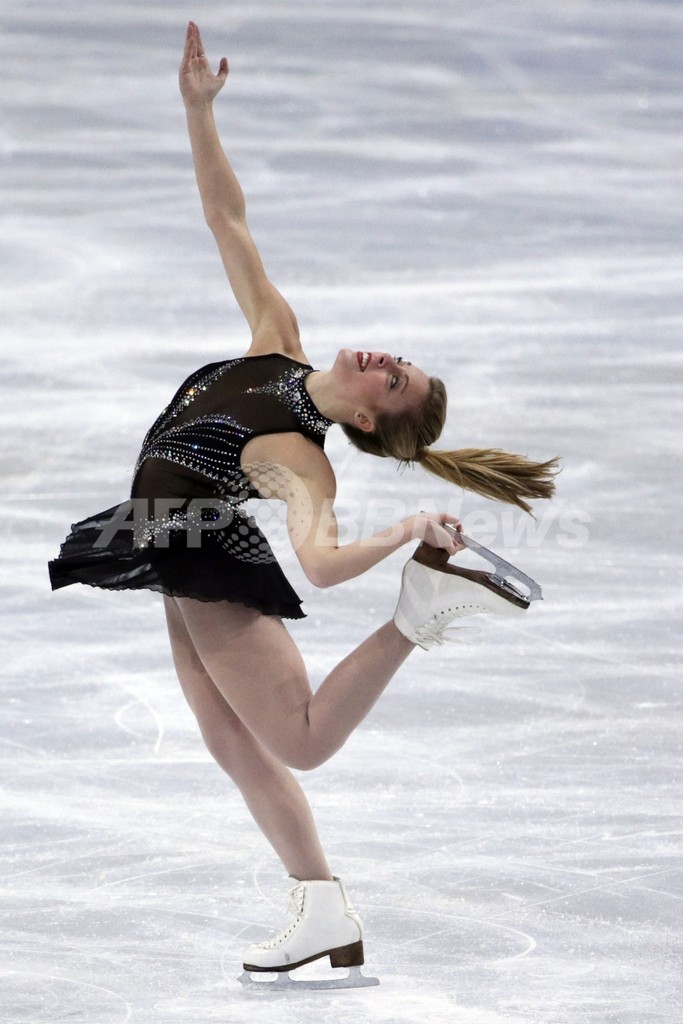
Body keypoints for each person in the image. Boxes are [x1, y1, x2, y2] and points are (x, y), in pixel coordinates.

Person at [49, 22, 558, 984]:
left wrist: (408, 528)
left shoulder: (301, 459)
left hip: (203, 558)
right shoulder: (275, 340)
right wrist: (198, 113)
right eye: (399, 362)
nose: (385, 362)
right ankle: (320, 910)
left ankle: (420, 614)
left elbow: (318, 565)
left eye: (394, 384)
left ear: (368, 425)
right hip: (171, 551)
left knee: (301, 741)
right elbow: (226, 221)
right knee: (232, 745)